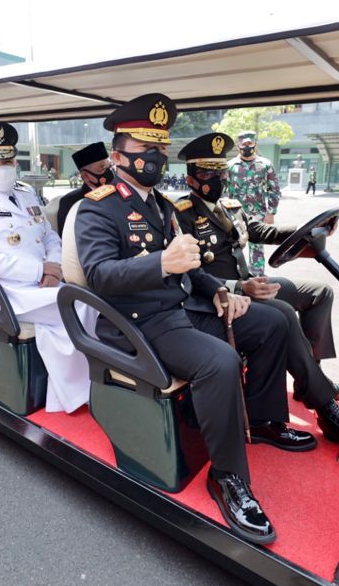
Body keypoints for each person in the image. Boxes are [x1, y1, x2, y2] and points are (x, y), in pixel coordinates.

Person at [76, 93, 312, 546]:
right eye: (146, 148)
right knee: (219, 360)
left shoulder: (163, 207)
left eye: (160, 148)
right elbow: (99, 275)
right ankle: (227, 477)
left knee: (271, 322)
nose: (155, 157)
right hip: (141, 322)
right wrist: (161, 264)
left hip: (182, 310)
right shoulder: (98, 207)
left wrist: (221, 290)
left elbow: (194, 266)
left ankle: (263, 420)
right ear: (117, 155)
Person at [174, 132, 339, 447]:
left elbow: (260, 229)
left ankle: (312, 375)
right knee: (281, 314)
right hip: (219, 296)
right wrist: (240, 287)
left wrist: (306, 230)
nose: (217, 178)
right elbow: (190, 272)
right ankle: (322, 406)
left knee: (319, 293)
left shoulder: (229, 206)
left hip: (252, 284)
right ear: (190, 177)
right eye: (207, 172)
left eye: (221, 171)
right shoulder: (182, 213)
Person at [0, 121, 91, 414]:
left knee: (87, 301)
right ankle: (75, 391)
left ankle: (67, 389)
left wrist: (54, 264)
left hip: (44, 282)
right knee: (80, 306)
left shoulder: (27, 193)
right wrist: (40, 271)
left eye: (7, 160)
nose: (3, 167)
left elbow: (49, 236)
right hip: (8, 291)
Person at [226, 130, 281, 276]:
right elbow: (224, 191)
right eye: (244, 144)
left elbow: (274, 189)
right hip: (235, 213)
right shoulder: (230, 166)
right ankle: (235, 275)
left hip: (258, 214)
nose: (247, 146)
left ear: (255, 144)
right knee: (235, 245)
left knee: (257, 246)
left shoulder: (265, 164)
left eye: (250, 143)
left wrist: (271, 213)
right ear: (238, 145)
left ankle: (257, 276)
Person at [55, 141, 113, 235]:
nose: (108, 172)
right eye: (102, 168)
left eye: (109, 166)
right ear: (86, 176)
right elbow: (68, 238)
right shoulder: (70, 201)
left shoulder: (121, 193)